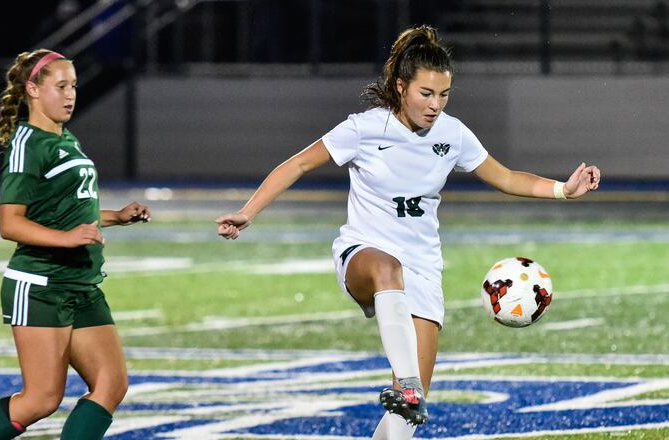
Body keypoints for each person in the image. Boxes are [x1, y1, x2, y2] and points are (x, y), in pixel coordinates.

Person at [215, 25, 601, 439]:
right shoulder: (365, 128)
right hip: (364, 254)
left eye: (444, 95)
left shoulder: (451, 134)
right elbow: (298, 164)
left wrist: (563, 189)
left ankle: (408, 392)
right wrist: (248, 211)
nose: (436, 105)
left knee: (406, 419)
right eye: (426, 94)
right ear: (401, 87)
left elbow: (506, 177)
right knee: (387, 272)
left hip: (422, 269)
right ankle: (408, 382)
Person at [0, 49, 151, 440]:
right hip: (40, 285)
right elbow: (10, 223)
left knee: (111, 384)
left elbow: (65, 211)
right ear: (33, 88)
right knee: (42, 399)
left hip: (81, 283)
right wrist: (66, 239)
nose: (70, 95)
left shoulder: (63, 136)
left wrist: (116, 216)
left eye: (74, 86)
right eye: (60, 86)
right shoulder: (27, 145)